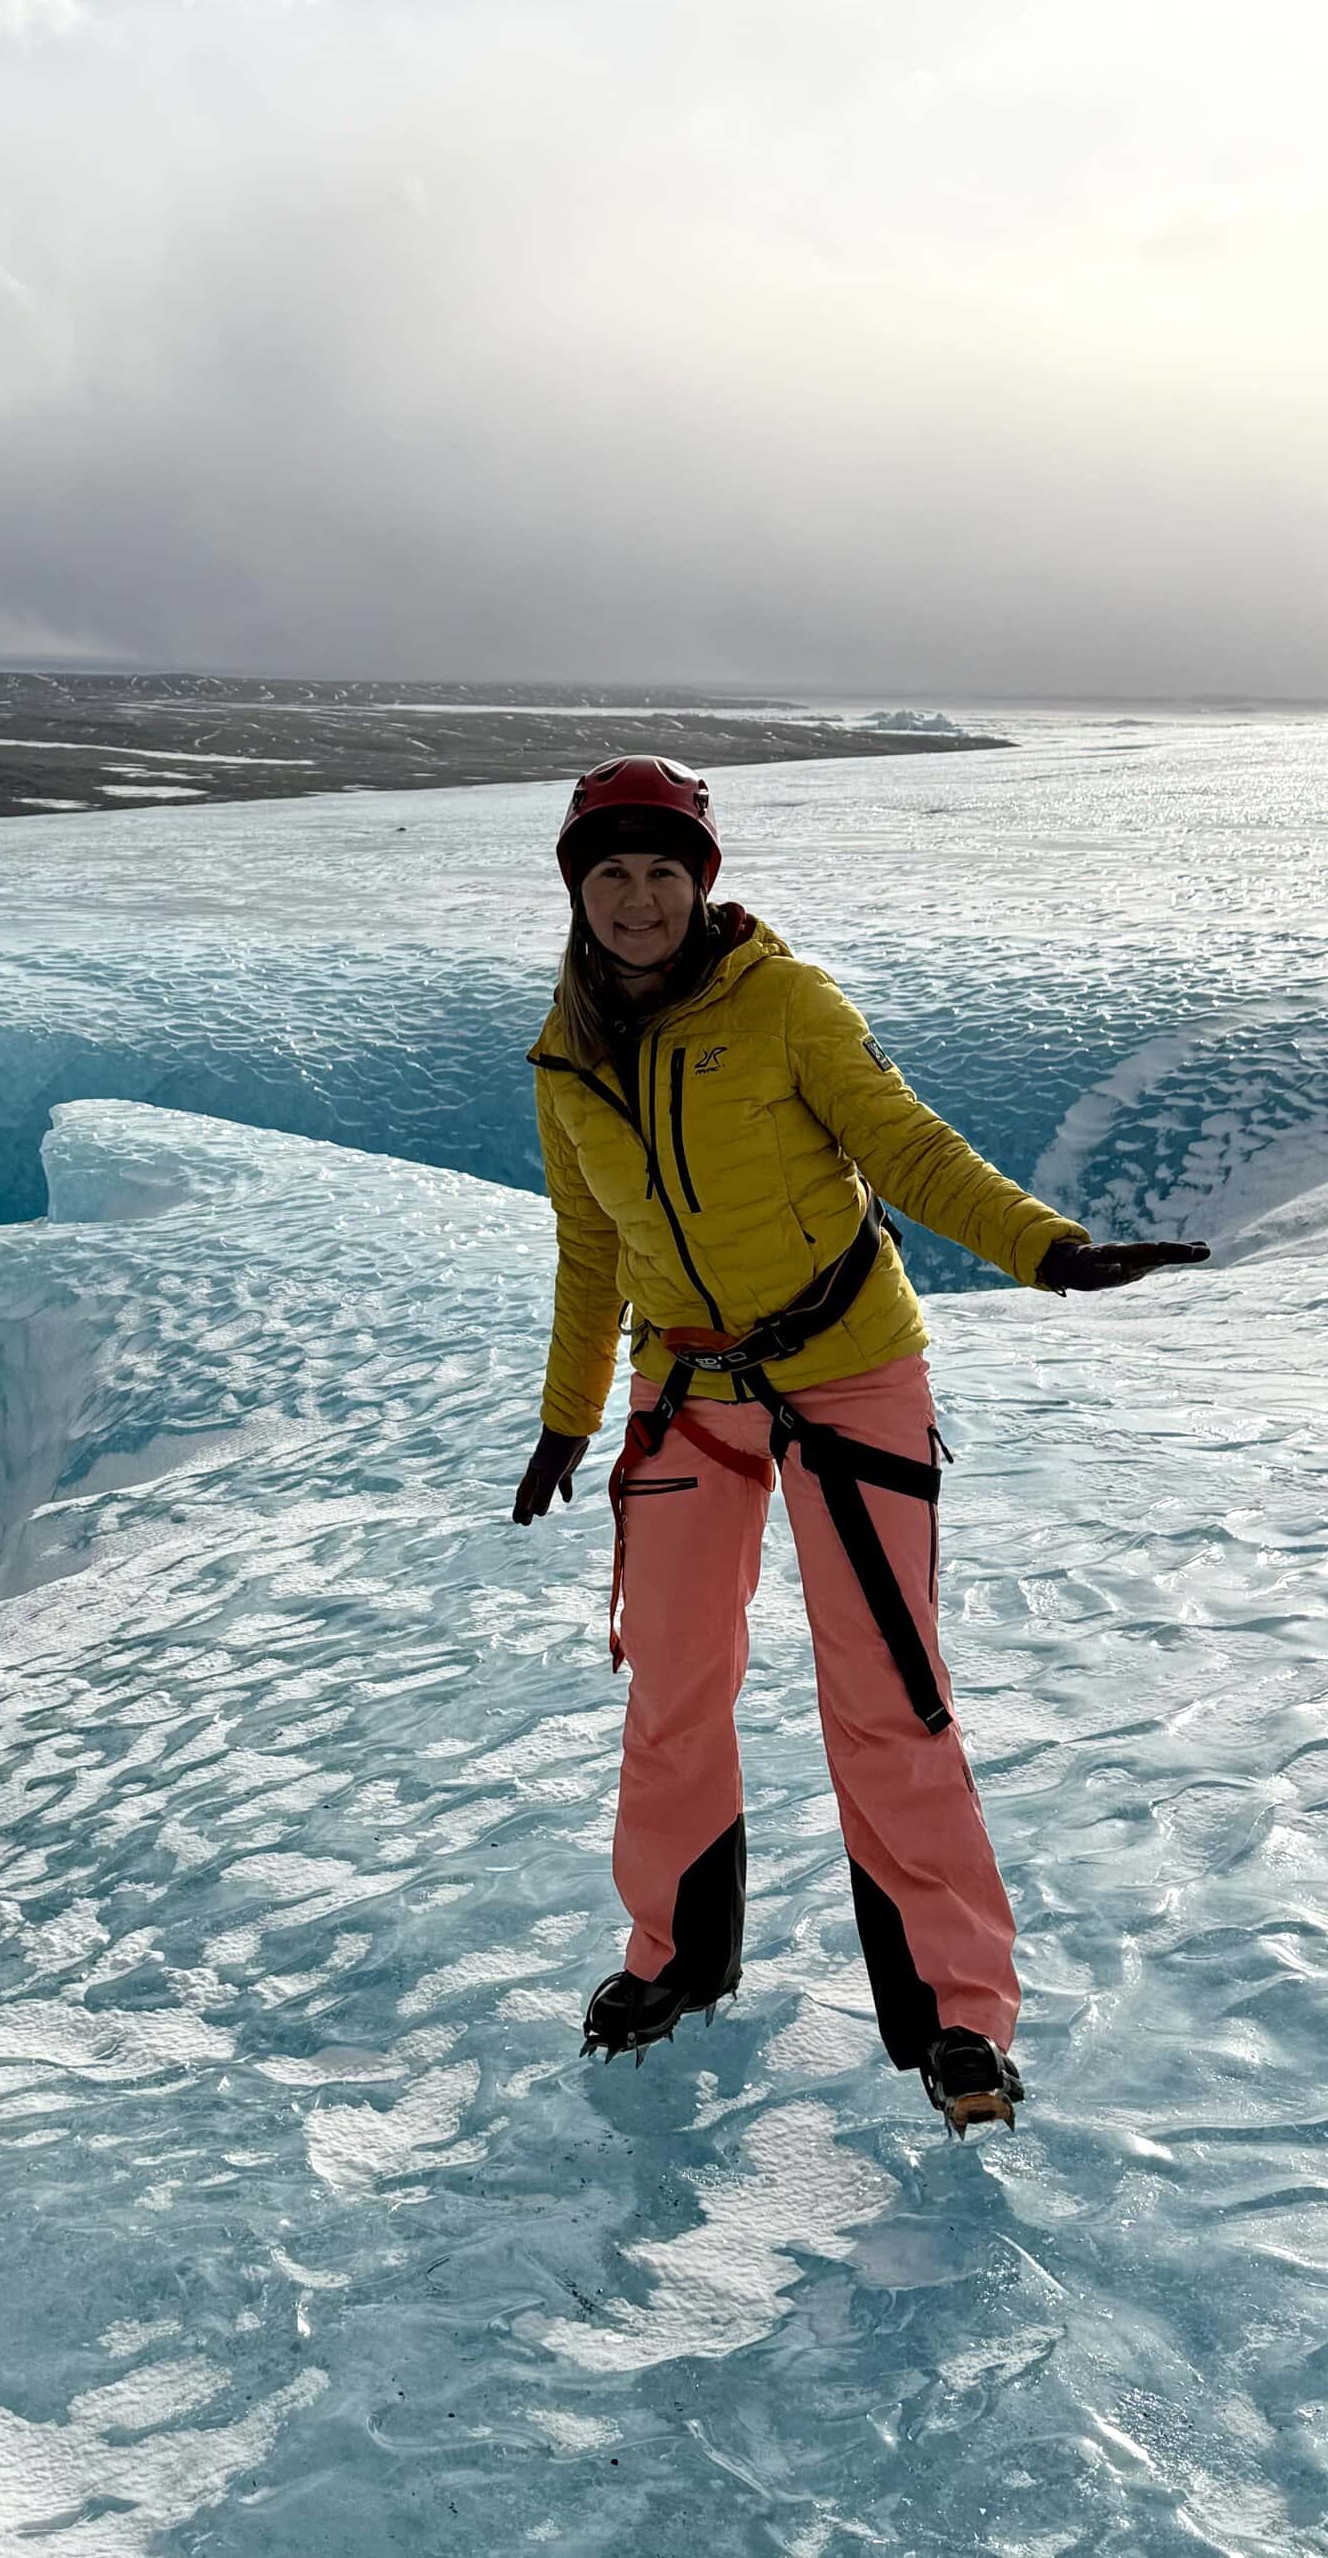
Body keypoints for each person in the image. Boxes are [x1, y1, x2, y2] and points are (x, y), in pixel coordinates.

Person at [512, 757, 1207, 2135]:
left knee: (889, 1697)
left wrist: (1043, 1251)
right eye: (611, 876)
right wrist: (567, 1420)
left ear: (699, 882)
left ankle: (959, 2013)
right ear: (579, 893)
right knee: (671, 1689)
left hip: (848, 1375)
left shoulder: (785, 1004)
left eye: (662, 872)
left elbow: (905, 1146)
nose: (638, 899)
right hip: (686, 1393)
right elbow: (588, 1255)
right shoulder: (566, 1055)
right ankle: (673, 1961)